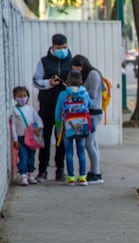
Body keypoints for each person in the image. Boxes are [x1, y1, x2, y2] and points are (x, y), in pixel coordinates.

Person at [33, 33, 72, 182]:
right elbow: (36, 81)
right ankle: (42, 170)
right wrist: (49, 83)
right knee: (45, 139)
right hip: (47, 107)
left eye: (65, 47)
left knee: (61, 139)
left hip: (64, 110)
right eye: (59, 48)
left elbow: (78, 81)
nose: (62, 50)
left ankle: (60, 170)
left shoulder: (71, 60)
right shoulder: (43, 62)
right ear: (52, 47)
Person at [55, 70, 92, 186]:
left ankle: (70, 177)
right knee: (81, 151)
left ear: (67, 82)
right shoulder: (84, 94)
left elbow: (57, 112)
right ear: (81, 81)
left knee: (69, 152)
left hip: (67, 127)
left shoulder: (63, 94)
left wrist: (58, 128)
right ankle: (82, 177)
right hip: (81, 126)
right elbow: (90, 104)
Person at [71, 55, 104, 184]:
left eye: (78, 67)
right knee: (93, 143)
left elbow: (92, 94)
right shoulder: (88, 74)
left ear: (83, 64)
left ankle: (96, 173)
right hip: (89, 113)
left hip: (93, 113)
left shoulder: (93, 74)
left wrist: (76, 90)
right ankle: (95, 171)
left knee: (88, 143)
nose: (76, 70)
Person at [11, 86, 44, 186]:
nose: (22, 98)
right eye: (19, 96)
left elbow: (38, 120)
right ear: (15, 97)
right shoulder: (14, 110)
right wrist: (15, 140)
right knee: (23, 156)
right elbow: (13, 126)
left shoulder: (30, 109)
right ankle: (23, 176)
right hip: (21, 138)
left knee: (31, 156)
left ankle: (30, 174)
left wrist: (39, 127)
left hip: (31, 138)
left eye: (25, 96)